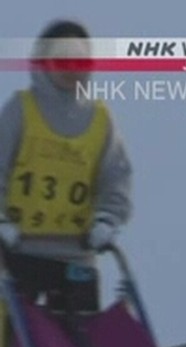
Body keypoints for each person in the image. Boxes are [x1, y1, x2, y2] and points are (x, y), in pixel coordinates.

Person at [0, 17, 133, 317]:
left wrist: (107, 221)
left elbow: (116, 177)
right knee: (14, 344)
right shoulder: (20, 110)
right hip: (18, 251)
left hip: (77, 256)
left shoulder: (101, 120)